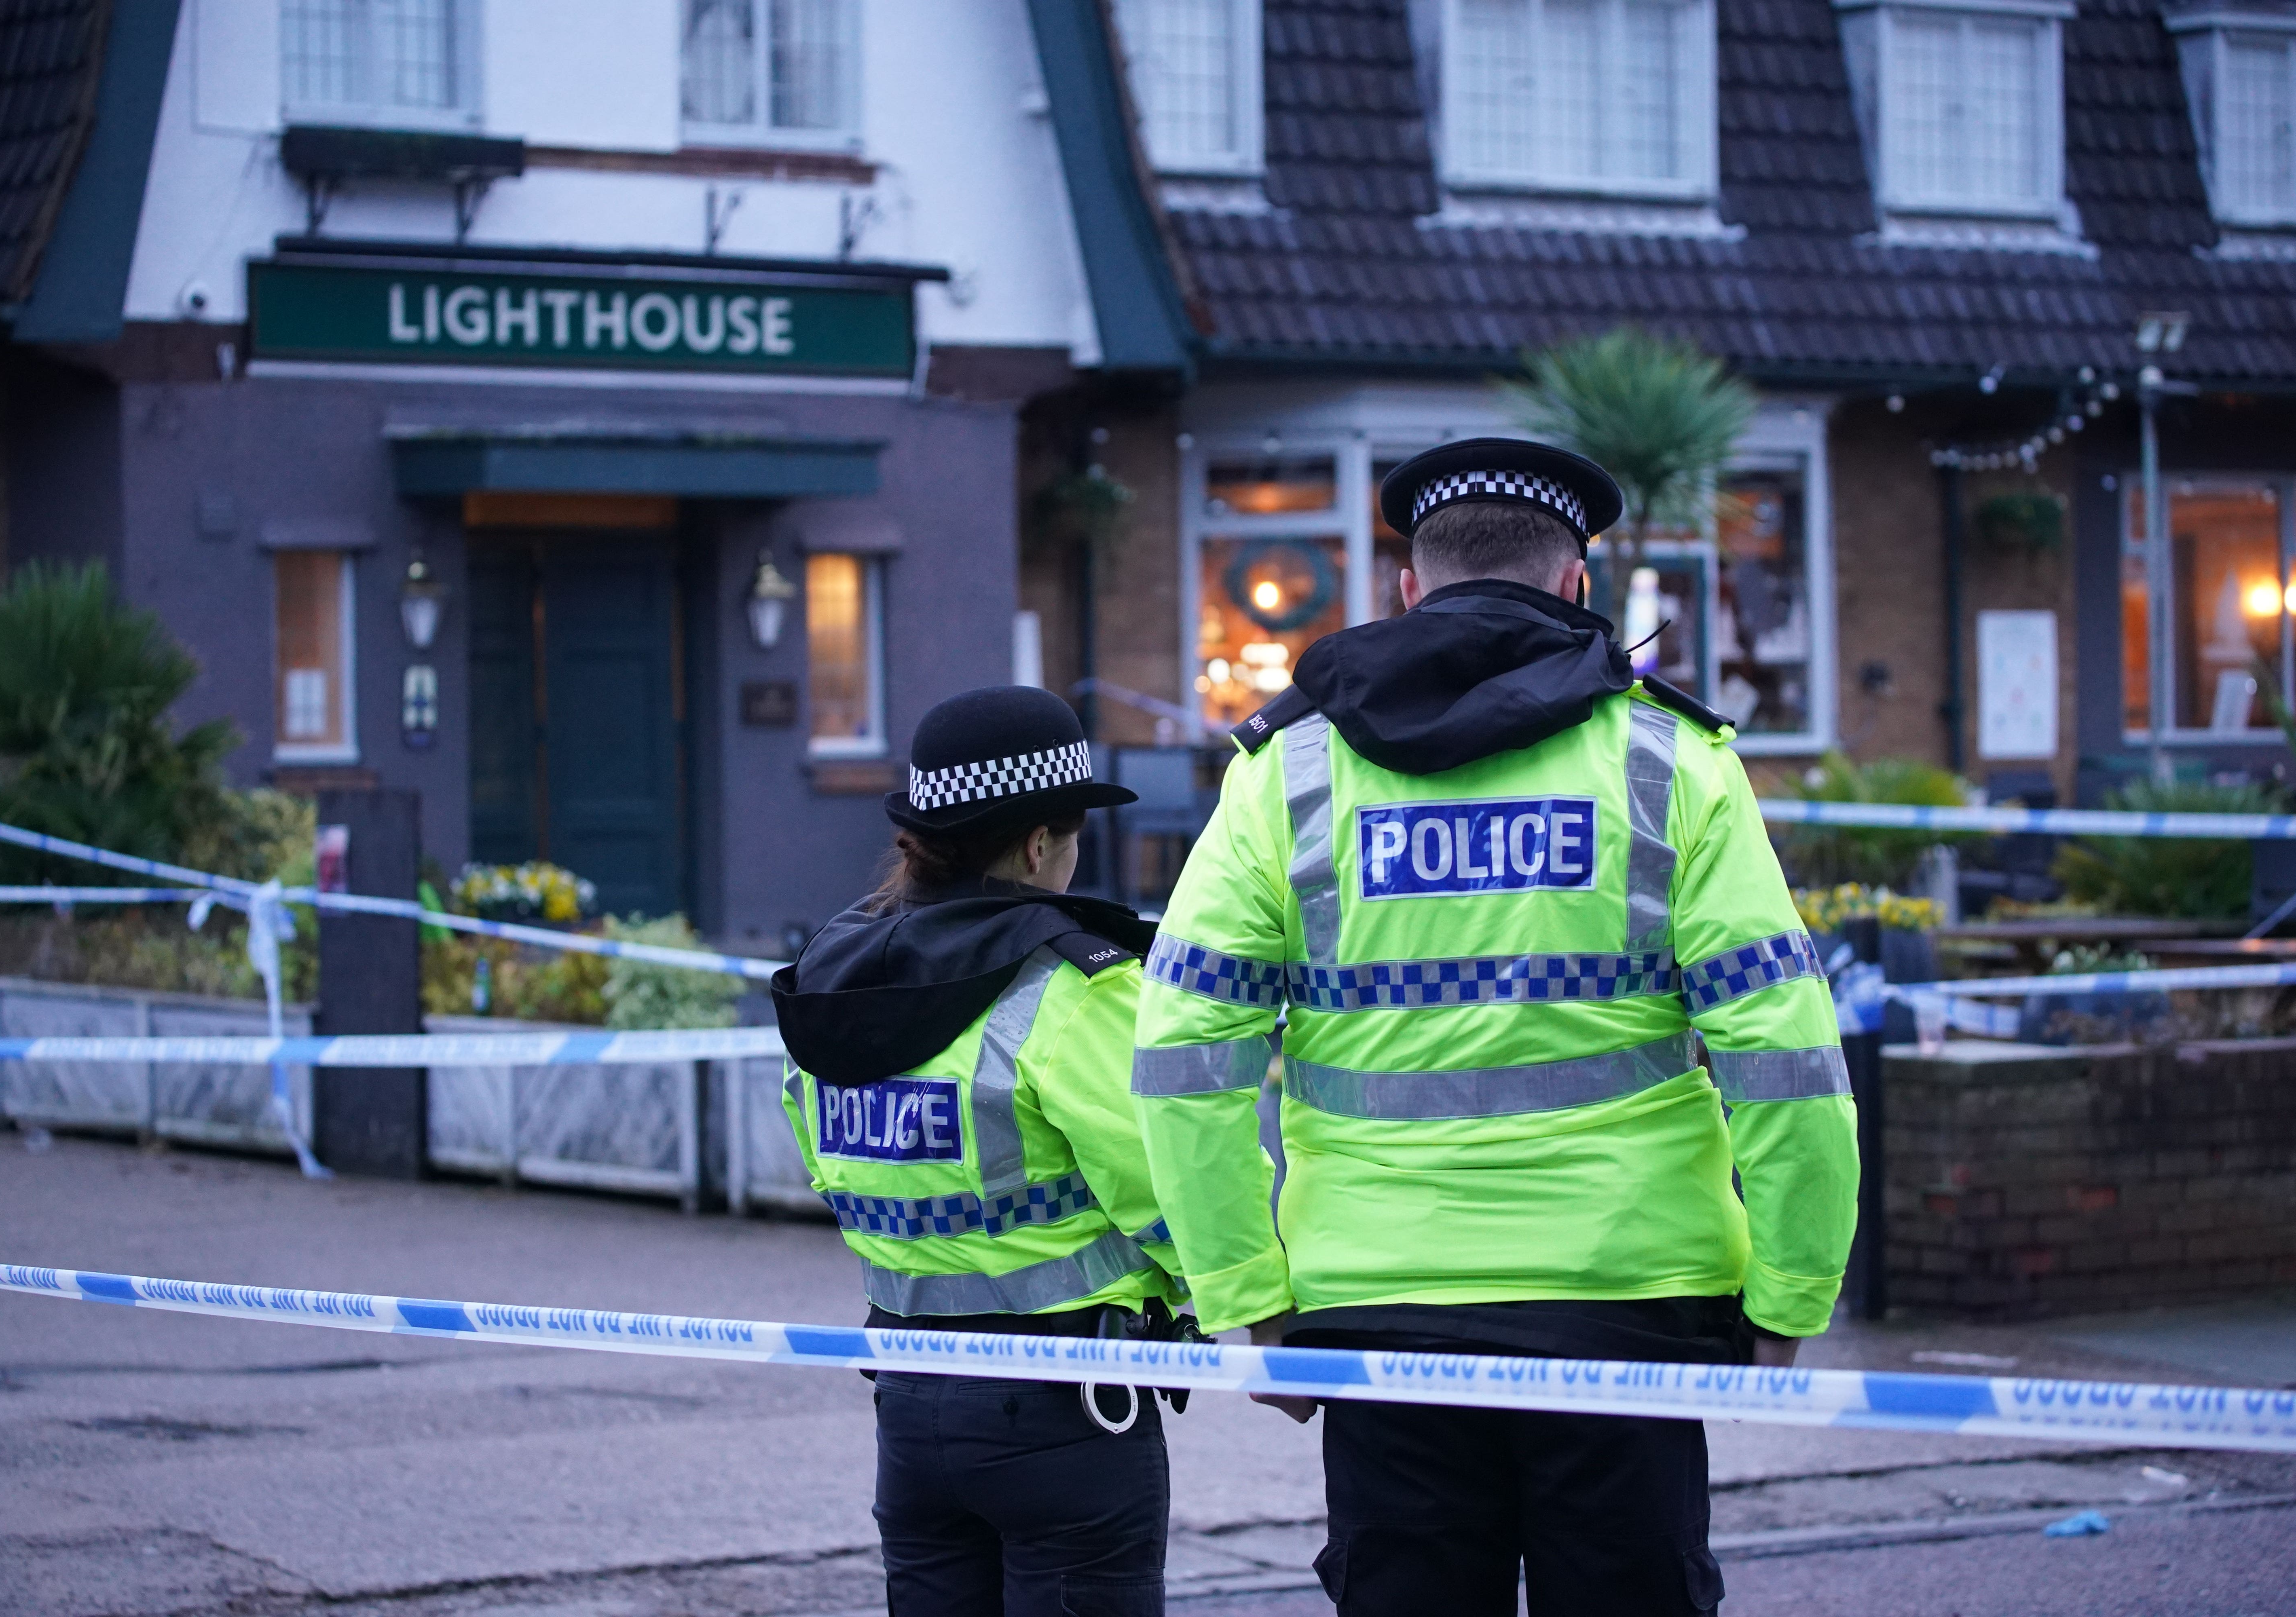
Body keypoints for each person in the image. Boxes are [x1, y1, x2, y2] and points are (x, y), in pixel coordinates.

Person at [1131, 439, 1861, 1616]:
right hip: (1631, 1305)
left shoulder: (1289, 775)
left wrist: (1243, 1300)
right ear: (1578, 583)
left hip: (1380, 1308)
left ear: (1409, 589)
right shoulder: (1673, 763)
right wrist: (1791, 1294)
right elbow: (1785, 1054)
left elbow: (1181, 1065)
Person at [774, 685, 1188, 1617]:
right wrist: (1211, 1295)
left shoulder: (834, 984)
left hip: (911, 1403)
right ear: (1040, 842)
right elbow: (1169, 1180)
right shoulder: (1072, 988)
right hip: (1064, 1415)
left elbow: (820, 1158)